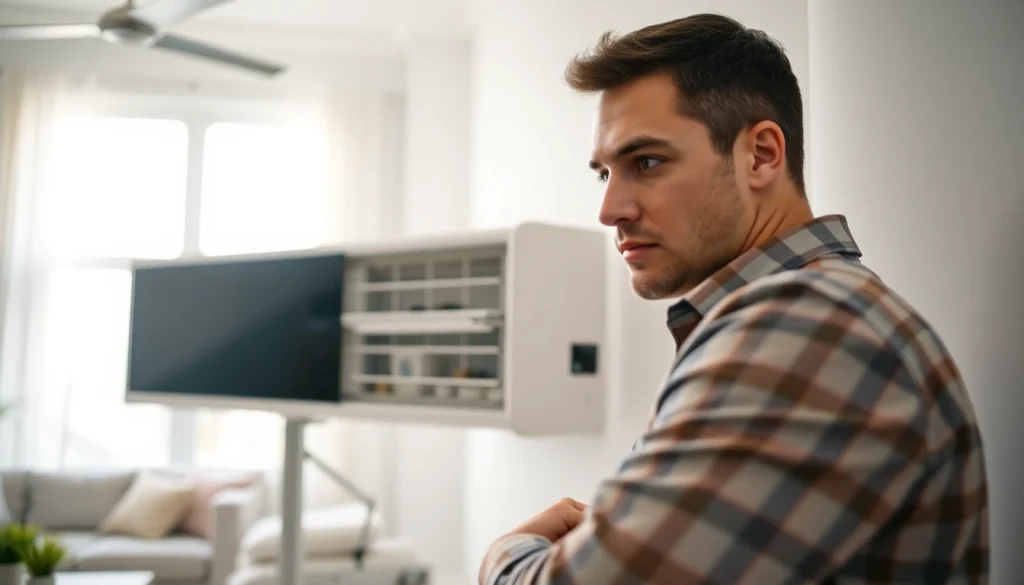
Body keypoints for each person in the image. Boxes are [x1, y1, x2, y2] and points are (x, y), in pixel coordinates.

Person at [478, 13, 989, 585]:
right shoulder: (795, 315)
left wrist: (508, 554)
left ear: (762, 155)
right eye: (604, 173)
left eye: (646, 162)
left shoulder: (805, 327)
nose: (610, 209)